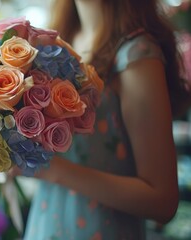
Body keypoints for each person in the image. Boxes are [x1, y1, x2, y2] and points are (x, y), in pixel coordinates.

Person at [18, 0, 191, 239]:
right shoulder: (58, 40)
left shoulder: (136, 55)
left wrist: (50, 169)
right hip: (45, 224)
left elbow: (162, 201)